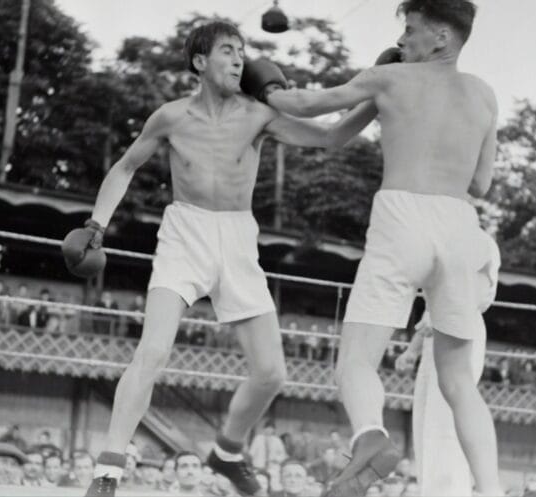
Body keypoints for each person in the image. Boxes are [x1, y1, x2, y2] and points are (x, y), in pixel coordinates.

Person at [65, 20, 378, 497]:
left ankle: (227, 451)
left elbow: (330, 139)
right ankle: (108, 470)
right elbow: (126, 167)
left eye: (242, 51)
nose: (239, 59)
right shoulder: (170, 117)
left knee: (272, 372)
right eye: (228, 51)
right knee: (153, 351)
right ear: (199, 61)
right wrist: (96, 225)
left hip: (237, 238)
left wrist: (378, 94)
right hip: (184, 234)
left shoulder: (257, 114)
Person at [264, 1, 502, 495]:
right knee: (459, 383)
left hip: (403, 217)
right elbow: (481, 184)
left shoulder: (390, 78)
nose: (402, 42)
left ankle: (370, 436)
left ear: (440, 36)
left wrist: (262, 85)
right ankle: (492, 488)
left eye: (411, 31)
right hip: (461, 226)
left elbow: (307, 106)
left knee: (355, 361)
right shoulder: (484, 95)